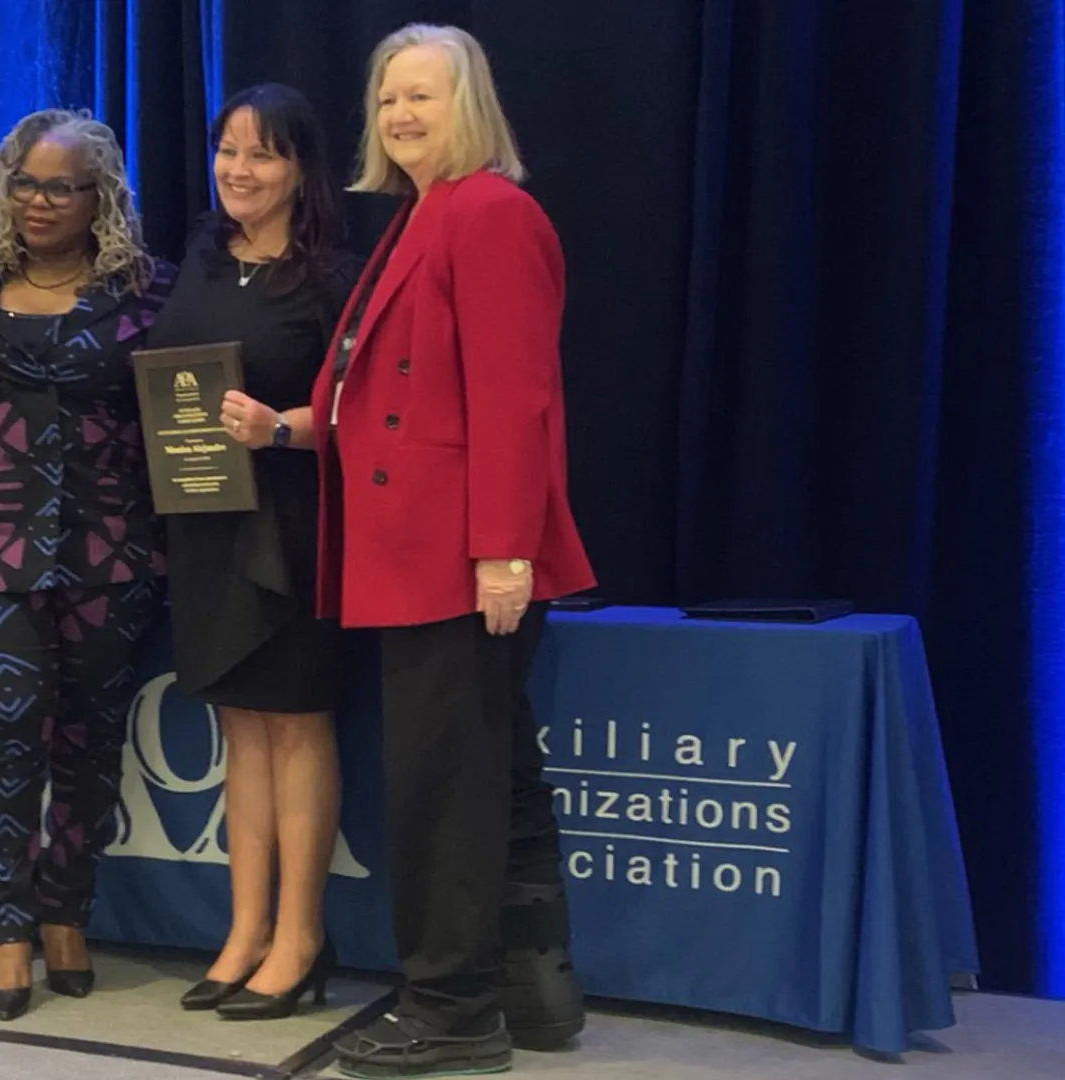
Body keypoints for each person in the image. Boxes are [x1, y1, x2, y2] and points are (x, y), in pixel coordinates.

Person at [313, 25, 596, 1078]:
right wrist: (299, 426)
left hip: (456, 558)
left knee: (445, 791)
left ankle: (451, 1009)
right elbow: (390, 394)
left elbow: (514, 397)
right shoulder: (425, 215)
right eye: (387, 98)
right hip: (415, 551)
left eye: (421, 96)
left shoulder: (488, 213)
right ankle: (530, 993)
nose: (398, 116)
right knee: (490, 778)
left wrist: (503, 551)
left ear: (468, 103)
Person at [0, 108, 176, 1022]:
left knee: (88, 737)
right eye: (24, 183)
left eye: (61, 186)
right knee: (6, 731)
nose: (39, 202)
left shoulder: (148, 290)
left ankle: (66, 912)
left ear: (98, 195)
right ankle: (5, 928)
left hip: (109, 545)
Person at [143, 83, 360, 1021]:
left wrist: (280, 430)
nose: (239, 169)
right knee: (239, 728)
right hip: (203, 526)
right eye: (228, 149)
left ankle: (302, 937)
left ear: (301, 168)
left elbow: (368, 417)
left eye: (263, 153)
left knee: (296, 723)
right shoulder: (197, 256)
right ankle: (244, 932)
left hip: (294, 526)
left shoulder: (334, 279)